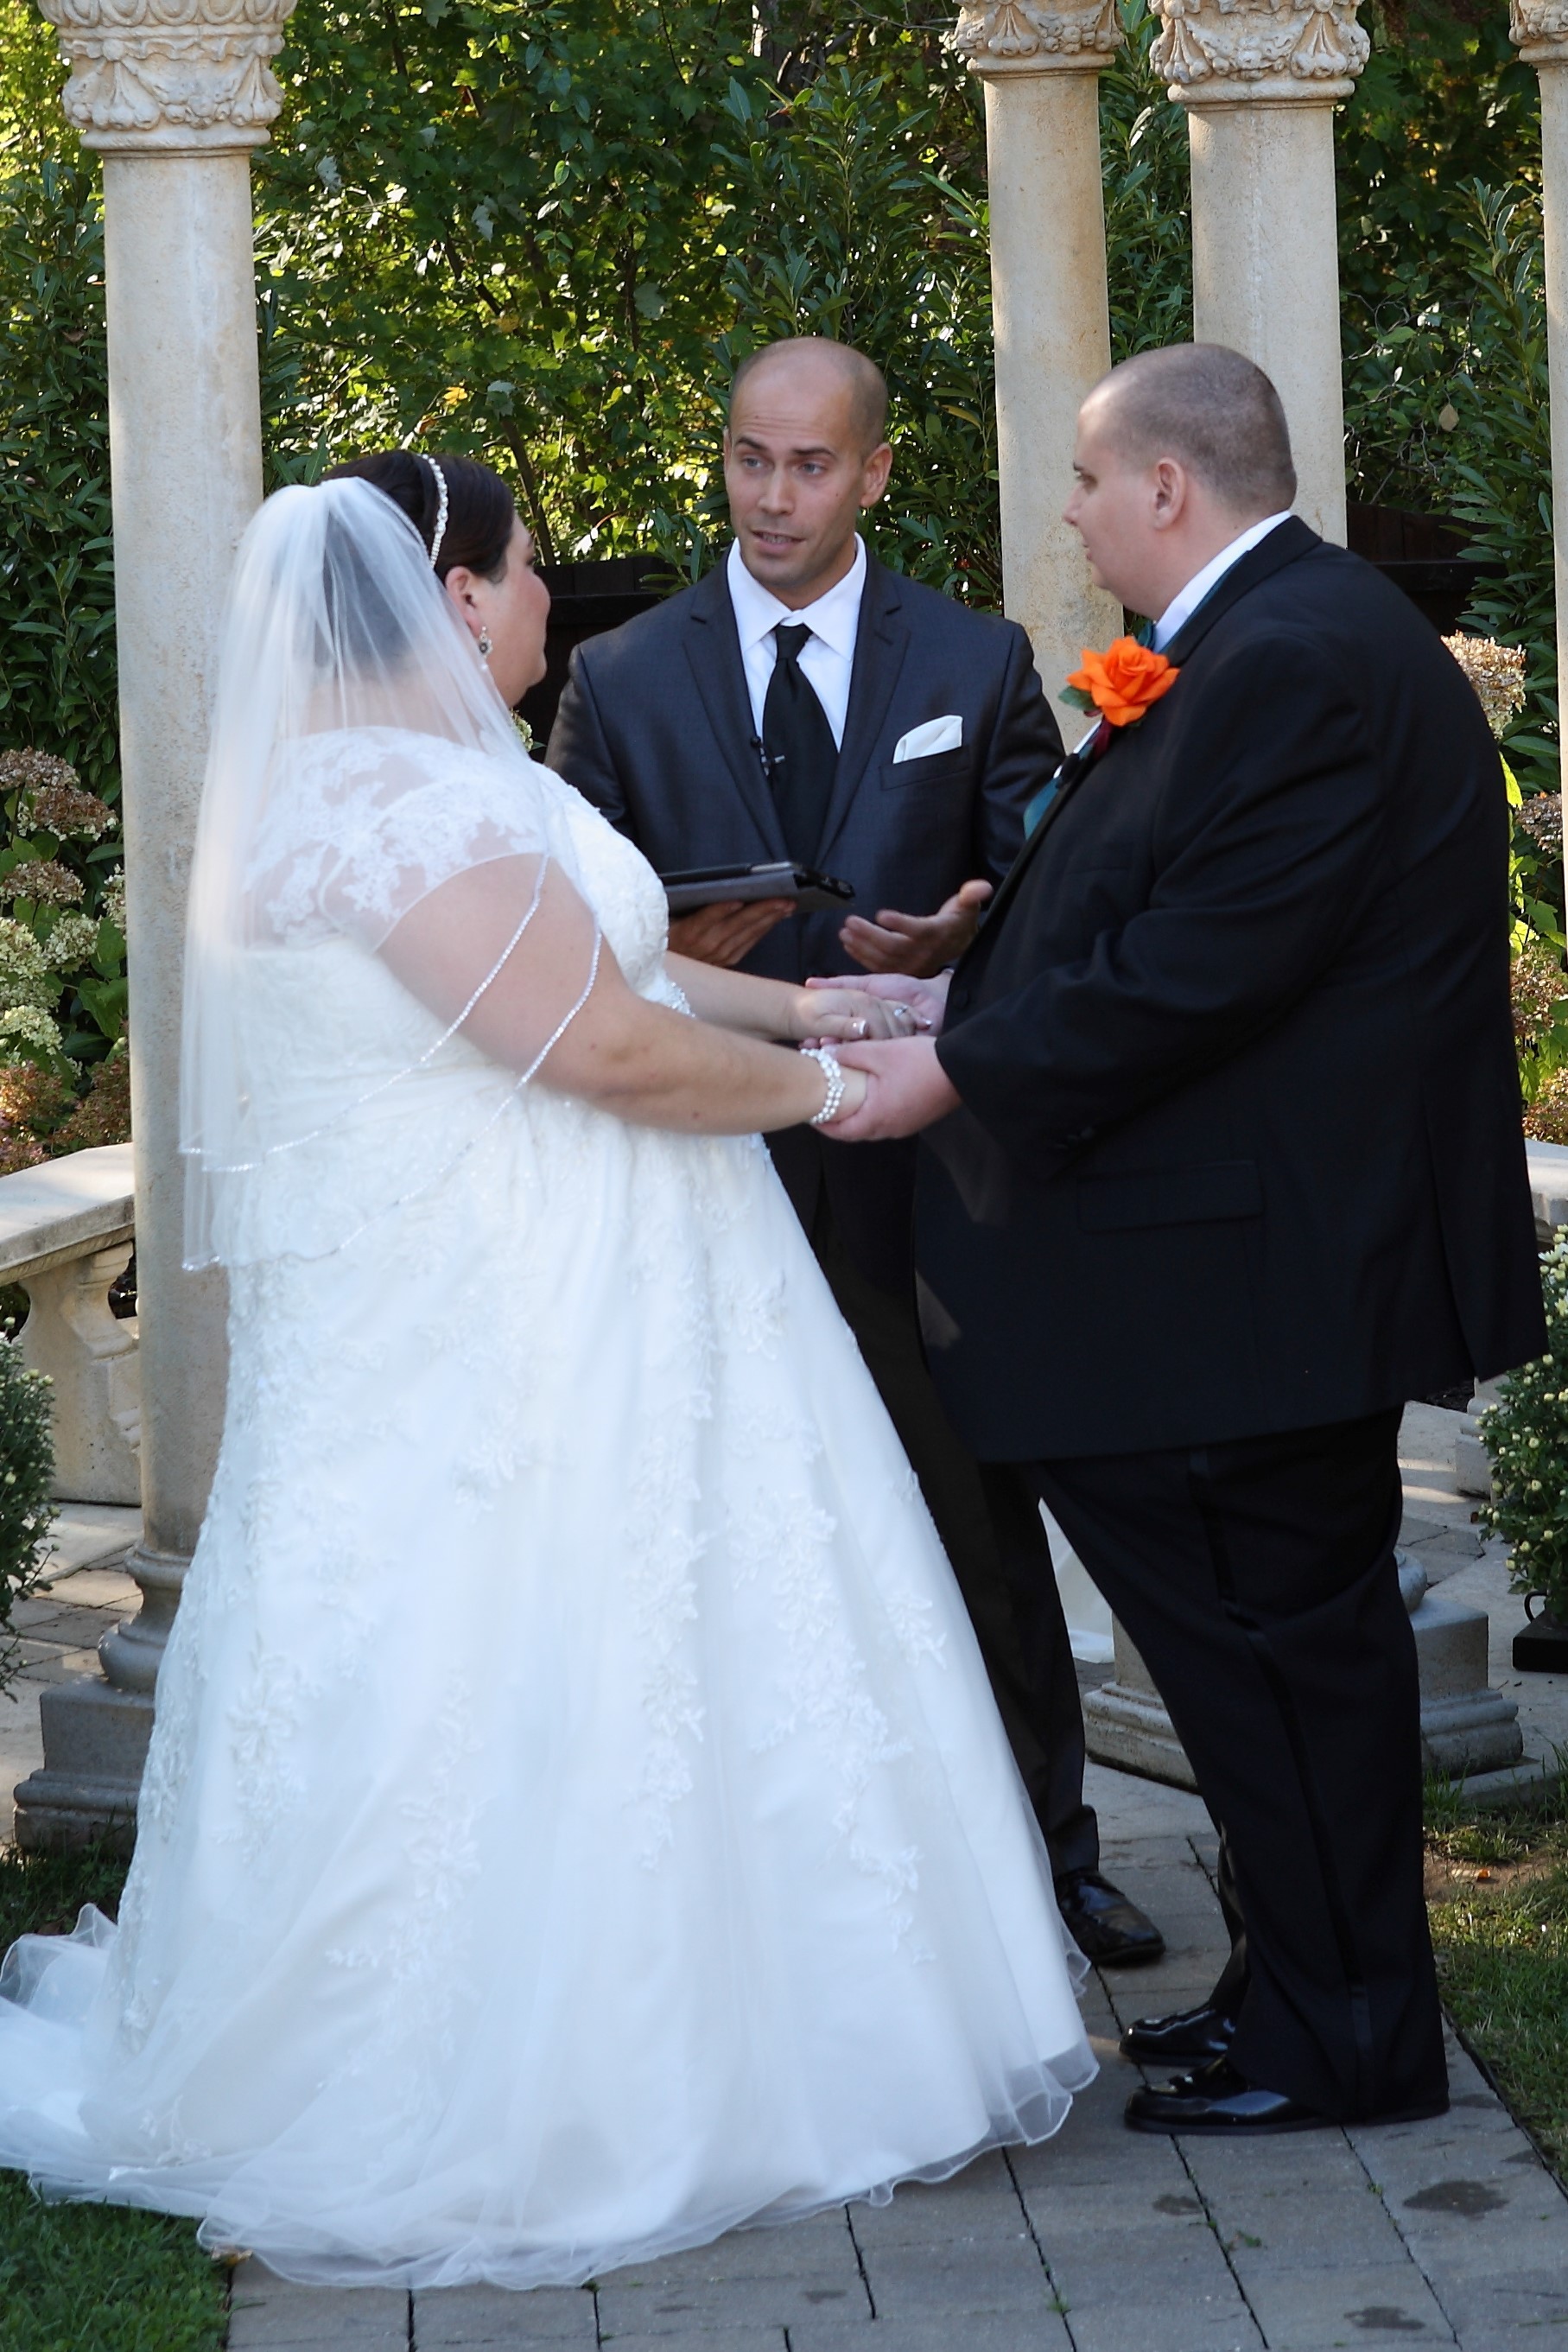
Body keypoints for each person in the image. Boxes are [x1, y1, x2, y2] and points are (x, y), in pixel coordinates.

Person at [0, 456, 1095, 2284]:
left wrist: (822, 999)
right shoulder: (393, 814)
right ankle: (548, 2071)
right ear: (448, 590)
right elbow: (595, 1047)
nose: (541, 614)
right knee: (529, 1650)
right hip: (510, 1326)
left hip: (555, 1284)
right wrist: (848, 1094)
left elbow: (612, 959)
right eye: (524, 582)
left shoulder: (411, 790)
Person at [825, 344, 1546, 2133]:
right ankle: (1297, 1991)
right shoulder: (1232, 639)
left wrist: (953, 1071)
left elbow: (1211, 964)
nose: (1066, 515)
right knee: (1259, 1660)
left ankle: (1351, 2035)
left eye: (1084, 482)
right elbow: (1150, 872)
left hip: (1254, 1276)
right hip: (1231, 1270)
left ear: (1167, 486)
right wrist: (984, 936)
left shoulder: (1296, 655)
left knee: (1276, 1657)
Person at [549, 337, 1162, 1967]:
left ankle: (1052, 1852)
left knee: (972, 1510)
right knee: (724, 1516)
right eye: (750, 457)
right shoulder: (620, 676)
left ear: (876, 473)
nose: (771, 495)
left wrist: (973, 918)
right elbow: (573, 928)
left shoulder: (974, 656)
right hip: (707, 1162)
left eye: (809, 465)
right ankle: (758, 1891)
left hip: (923, 1182)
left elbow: (1052, 872)